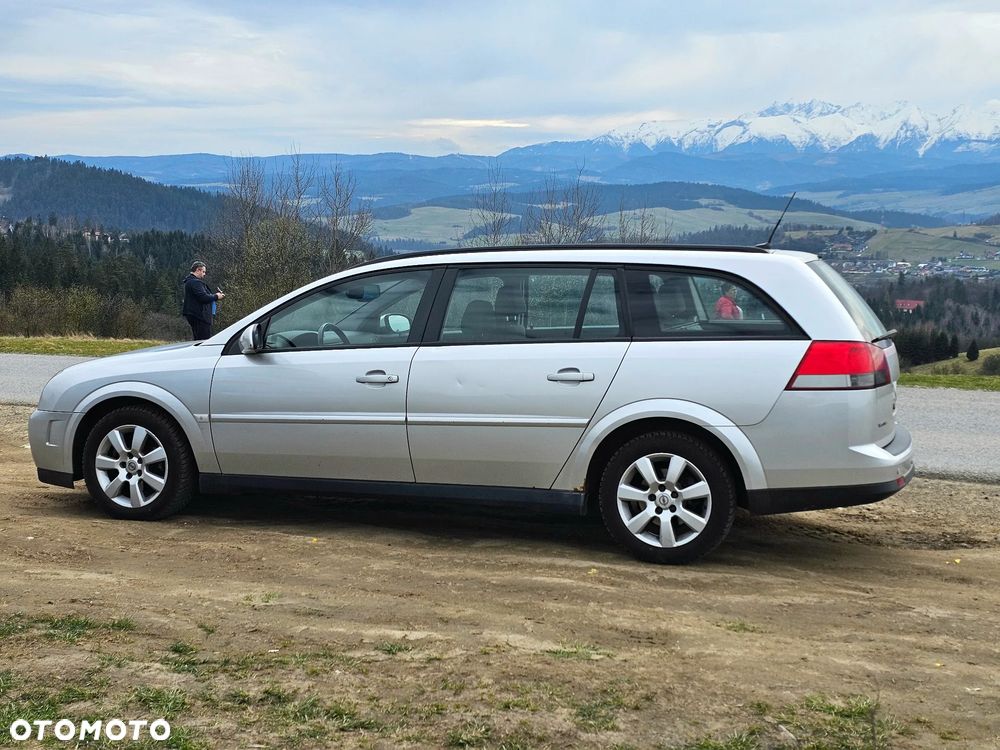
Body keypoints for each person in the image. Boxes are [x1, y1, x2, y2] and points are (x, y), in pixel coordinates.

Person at [182, 261, 225, 340]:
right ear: (198, 270)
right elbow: (203, 298)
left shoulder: (189, 281)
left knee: (197, 340)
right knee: (203, 341)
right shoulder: (195, 282)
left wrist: (213, 296)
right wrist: (216, 296)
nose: (204, 274)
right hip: (200, 316)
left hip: (194, 315)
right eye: (203, 271)